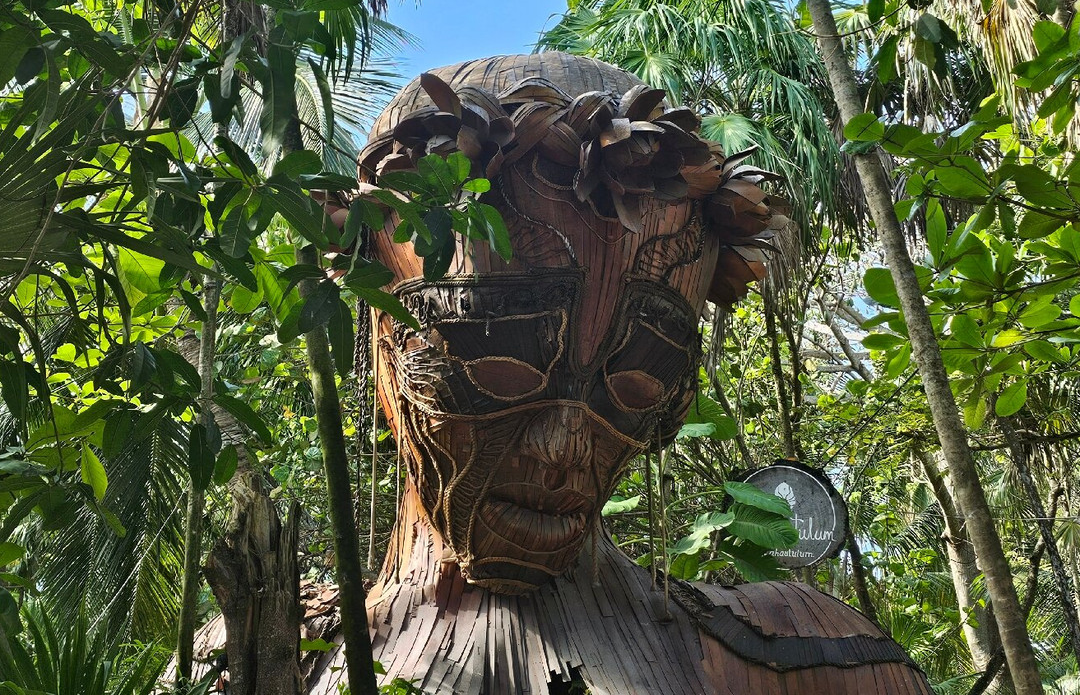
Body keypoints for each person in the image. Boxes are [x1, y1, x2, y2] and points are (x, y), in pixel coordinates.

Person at [308, 52, 932, 694]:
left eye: (637, 381)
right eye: (499, 362)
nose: (565, 448)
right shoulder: (267, 654)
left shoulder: (821, 664)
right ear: (381, 342)